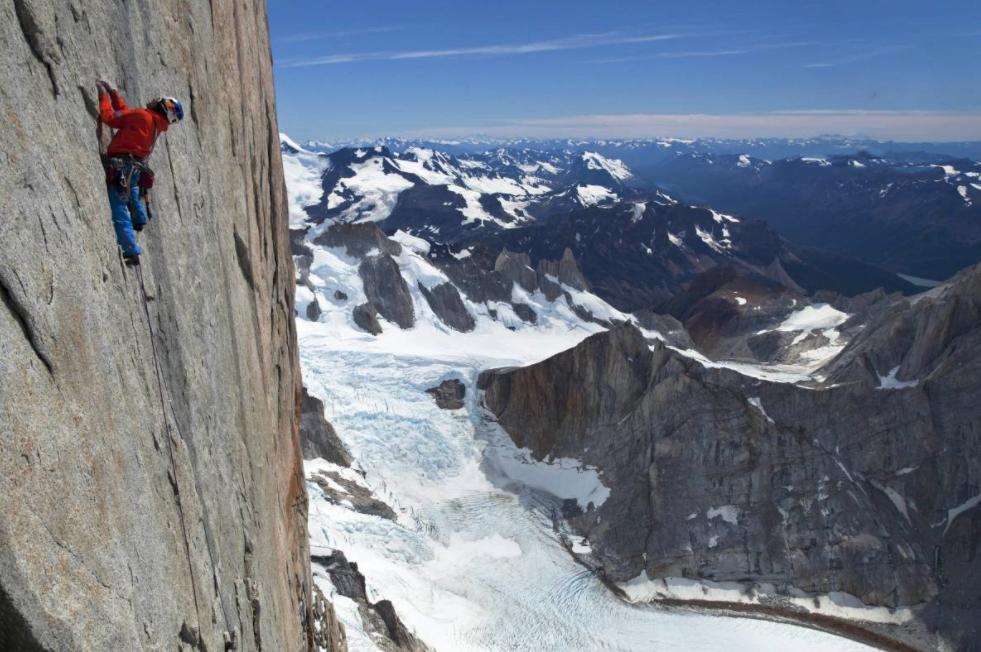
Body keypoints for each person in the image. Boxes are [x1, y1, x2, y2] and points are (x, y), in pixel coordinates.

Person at [97, 81, 184, 265]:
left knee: (119, 206)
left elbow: (111, 118)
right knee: (132, 191)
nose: (153, 100)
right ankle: (139, 217)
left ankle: (131, 250)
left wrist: (104, 97)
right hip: (134, 167)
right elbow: (128, 117)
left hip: (121, 165)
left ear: (163, 107)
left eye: (159, 100)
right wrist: (114, 94)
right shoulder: (155, 124)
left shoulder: (143, 116)